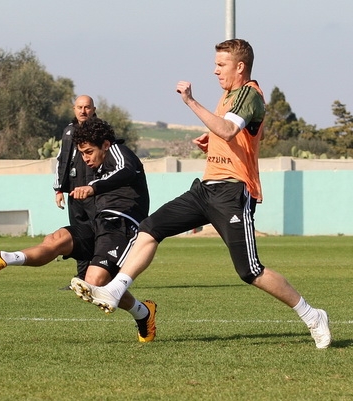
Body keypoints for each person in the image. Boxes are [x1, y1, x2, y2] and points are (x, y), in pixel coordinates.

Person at [70, 39, 331, 349]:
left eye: (221, 65)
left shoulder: (250, 95)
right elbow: (227, 134)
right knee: (150, 228)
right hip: (206, 189)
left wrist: (192, 103)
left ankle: (313, 315)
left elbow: (229, 130)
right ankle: (116, 289)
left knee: (250, 271)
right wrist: (211, 141)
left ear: (240, 67)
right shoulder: (229, 96)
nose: (215, 70)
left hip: (233, 193)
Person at [0, 117, 158, 342]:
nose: (86, 159)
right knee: (56, 239)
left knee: (96, 282)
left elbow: (126, 171)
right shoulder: (97, 165)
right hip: (99, 223)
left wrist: (92, 188)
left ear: (105, 145)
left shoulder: (118, 151)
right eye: (82, 153)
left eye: (89, 152)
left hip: (122, 225)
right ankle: (5, 258)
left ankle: (143, 313)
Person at [53, 95, 97, 287]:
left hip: (94, 193)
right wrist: (59, 189)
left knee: (98, 234)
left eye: (87, 107)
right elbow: (62, 160)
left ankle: (99, 277)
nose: (83, 111)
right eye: (79, 107)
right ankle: (81, 278)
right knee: (79, 235)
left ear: (93, 109)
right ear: (74, 109)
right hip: (73, 192)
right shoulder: (69, 131)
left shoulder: (100, 131)